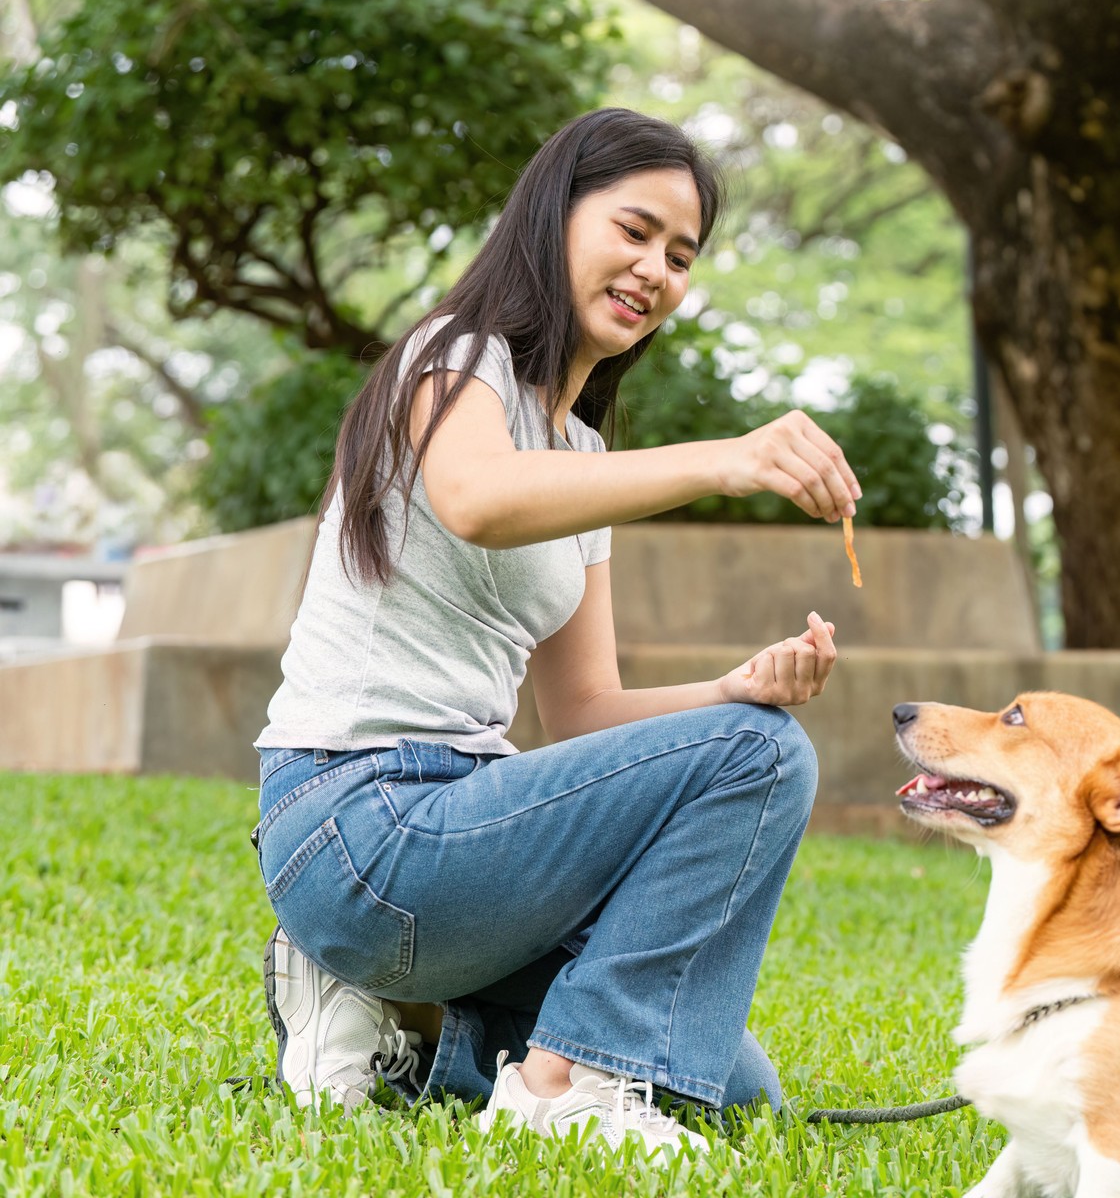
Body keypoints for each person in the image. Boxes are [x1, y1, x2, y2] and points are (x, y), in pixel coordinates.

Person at [251, 107, 861, 1158]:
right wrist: (725, 458)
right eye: (634, 228)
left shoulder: (577, 449)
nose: (656, 270)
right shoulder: (455, 357)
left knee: (725, 1081)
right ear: (554, 213)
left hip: (465, 835)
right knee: (764, 764)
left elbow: (584, 711)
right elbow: (478, 495)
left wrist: (735, 688)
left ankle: (394, 1017)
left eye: (681, 254)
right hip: (358, 820)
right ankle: (561, 1088)